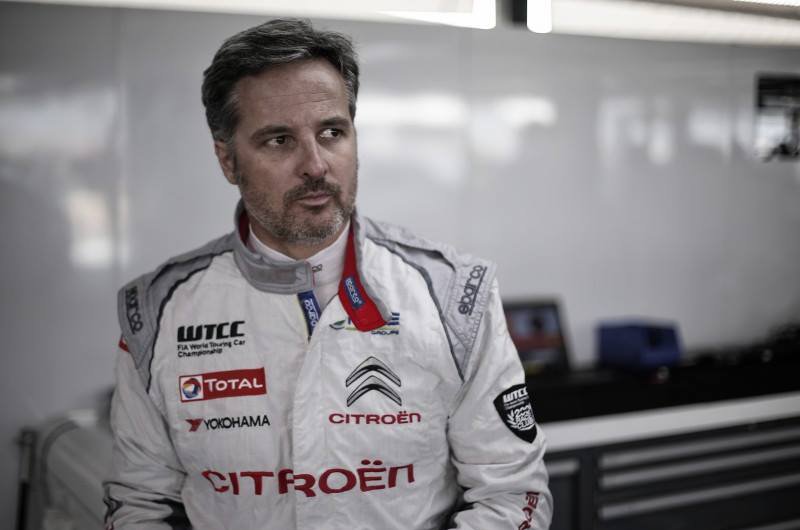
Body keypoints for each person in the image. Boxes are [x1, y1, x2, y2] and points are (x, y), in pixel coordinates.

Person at [103, 18, 552, 530]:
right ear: (228, 161)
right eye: (279, 140)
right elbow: (139, 504)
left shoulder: (455, 295)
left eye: (331, 133)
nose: (315, 165)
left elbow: (513, 495)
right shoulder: (158, 309)